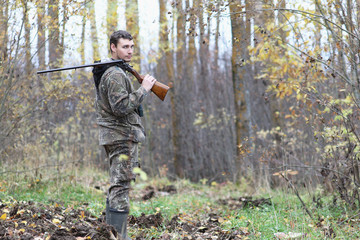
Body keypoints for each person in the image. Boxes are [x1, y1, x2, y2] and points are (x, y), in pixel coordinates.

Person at [94, 30, 156, 239]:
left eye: (131, 47)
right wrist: (144, 90)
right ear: (113, 47)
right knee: (121, 185)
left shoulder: (117, 71)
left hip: (116, 135)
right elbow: (120, 108)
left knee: (117, 184)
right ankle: (120, 236)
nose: (129, 51)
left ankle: (111, 233)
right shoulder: (115, 74)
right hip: (121, 137)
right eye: (124, 47)